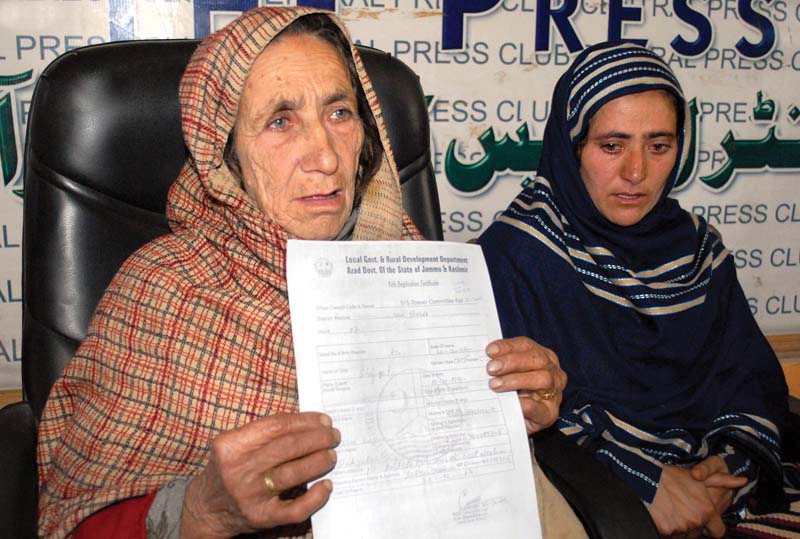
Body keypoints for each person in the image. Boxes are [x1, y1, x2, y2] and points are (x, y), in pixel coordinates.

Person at [36, 7, 568, 538]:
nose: (326, 157)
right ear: (226, 155)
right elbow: (78, 518)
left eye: (339, 112)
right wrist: (200, 509)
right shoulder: (167, 290)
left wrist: (514, 412)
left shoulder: (415, 268)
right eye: (280, 121)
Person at [478, 41, 793, 538]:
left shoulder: (697, 250)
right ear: (572, 145)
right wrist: (646, 484)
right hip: (589, 503)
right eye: (611, 145)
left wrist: (729, 471)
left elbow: (749, 379)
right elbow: (520, 418)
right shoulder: (516, 256)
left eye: (659, 146)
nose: (636, 173)